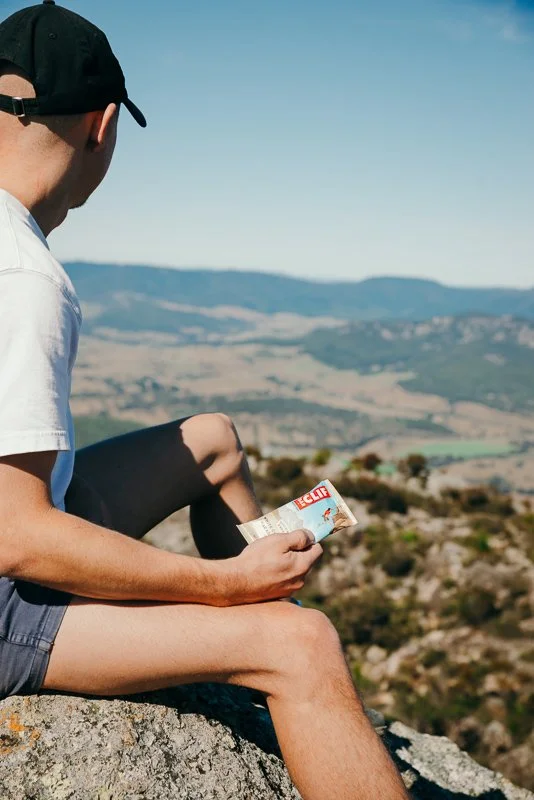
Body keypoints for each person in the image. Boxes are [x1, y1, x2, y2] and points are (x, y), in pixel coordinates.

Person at [0, 4, 409, 799]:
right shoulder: (23, 274)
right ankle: (269, 647)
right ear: (102, 127)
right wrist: (223, 589)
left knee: (211, 438)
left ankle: (258, 606)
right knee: (303, 643)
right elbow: (16, 538)